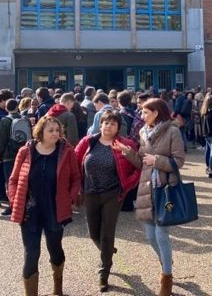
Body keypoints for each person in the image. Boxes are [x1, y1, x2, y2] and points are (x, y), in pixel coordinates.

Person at [116, 98, 185, 296]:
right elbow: (142, 162)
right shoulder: (143, 132)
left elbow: (178, 161)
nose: (142, 116)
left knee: (161, 234)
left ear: (156, 112)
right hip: (146, 187)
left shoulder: (173, 131)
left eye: (145, 112)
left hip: (165, 187)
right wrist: (128, 153)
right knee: (149, 235)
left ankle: (166, 278)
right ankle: (166, 261)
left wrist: (157, 160)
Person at [8, 115, 81, 296]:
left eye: (57, 130)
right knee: (31, 254)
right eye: (51, 130)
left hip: (54, 210)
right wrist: (14, 200)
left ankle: (58, 288)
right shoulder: (25, 151)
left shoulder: (67, 152)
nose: (55, 134)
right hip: (29, 211)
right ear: (40, 132)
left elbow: (76, 178)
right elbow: (14, 179)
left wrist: (70, 198)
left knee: (55, 249)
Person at [75, 111, 141, 292]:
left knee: (107, 233)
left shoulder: (125, 144)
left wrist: (127, 184)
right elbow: (74, 162)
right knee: (93, 233)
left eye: (112, 124)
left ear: (118, 127)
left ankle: (104, 272)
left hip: (113, 194)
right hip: (90, 193)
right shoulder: (88, 142)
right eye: (105, 123)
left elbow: (140, 167)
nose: (108, 126)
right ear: (100, 124)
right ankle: (108, 250)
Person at [0, 99, 30, 216]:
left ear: (6, 108)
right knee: (24, 180)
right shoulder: (25, 119)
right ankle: (26, 204)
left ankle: (13, 206)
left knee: (11, 182)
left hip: (9, 155)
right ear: (17, 107)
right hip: (25, 153)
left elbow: (2, 139)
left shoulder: (5, 120)